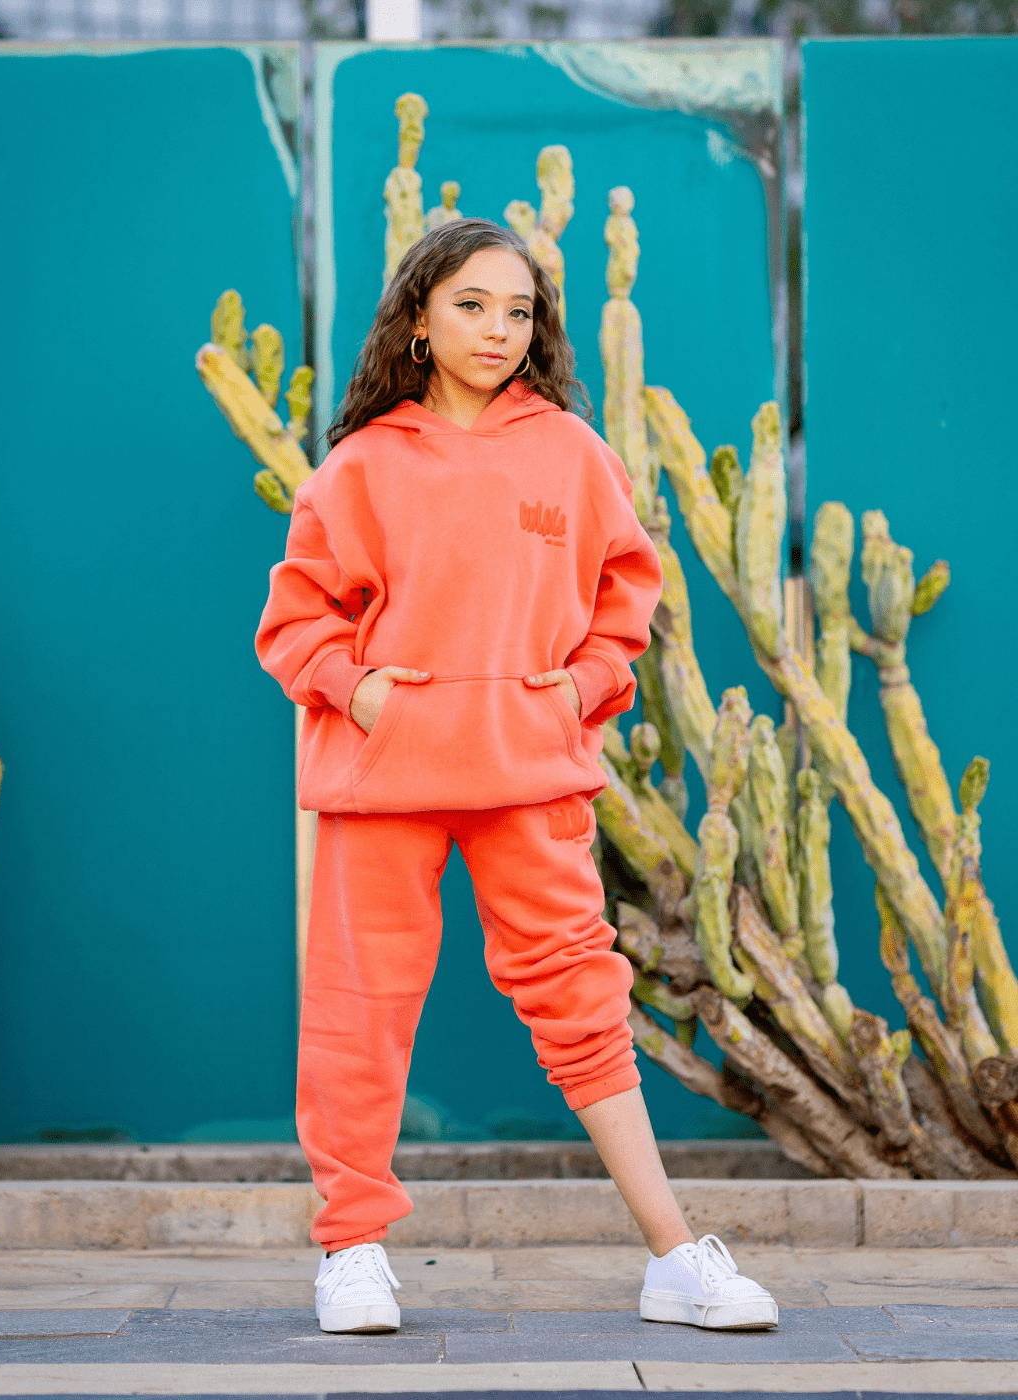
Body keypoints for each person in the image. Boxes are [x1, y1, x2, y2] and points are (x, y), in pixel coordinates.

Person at [255, 218, 778, 1337]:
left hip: (527, 767)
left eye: (519, 310)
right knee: (358, 1010)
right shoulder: (362, 465)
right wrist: (360, 690)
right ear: (418, 319)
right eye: (471, 305)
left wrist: (579, 687)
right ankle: (351, 1250)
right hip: (384, 776)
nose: (498, 329)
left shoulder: (572, 454)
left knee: (583, 1001)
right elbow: (296, 620)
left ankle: (674, 1256)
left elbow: (626, 597)